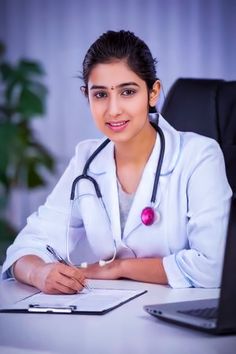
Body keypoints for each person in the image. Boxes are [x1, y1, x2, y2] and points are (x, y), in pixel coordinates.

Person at [1, 30, 232, 294]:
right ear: (86, 95)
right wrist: (39, 272)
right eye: (100, 95)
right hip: (110, 316)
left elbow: (215, 267)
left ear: (153, 92)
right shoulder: (86, 160)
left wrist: (118, 268)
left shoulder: (199, 155)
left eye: (128, 92)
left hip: (176, 315)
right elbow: (27, 245)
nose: (113, 110)